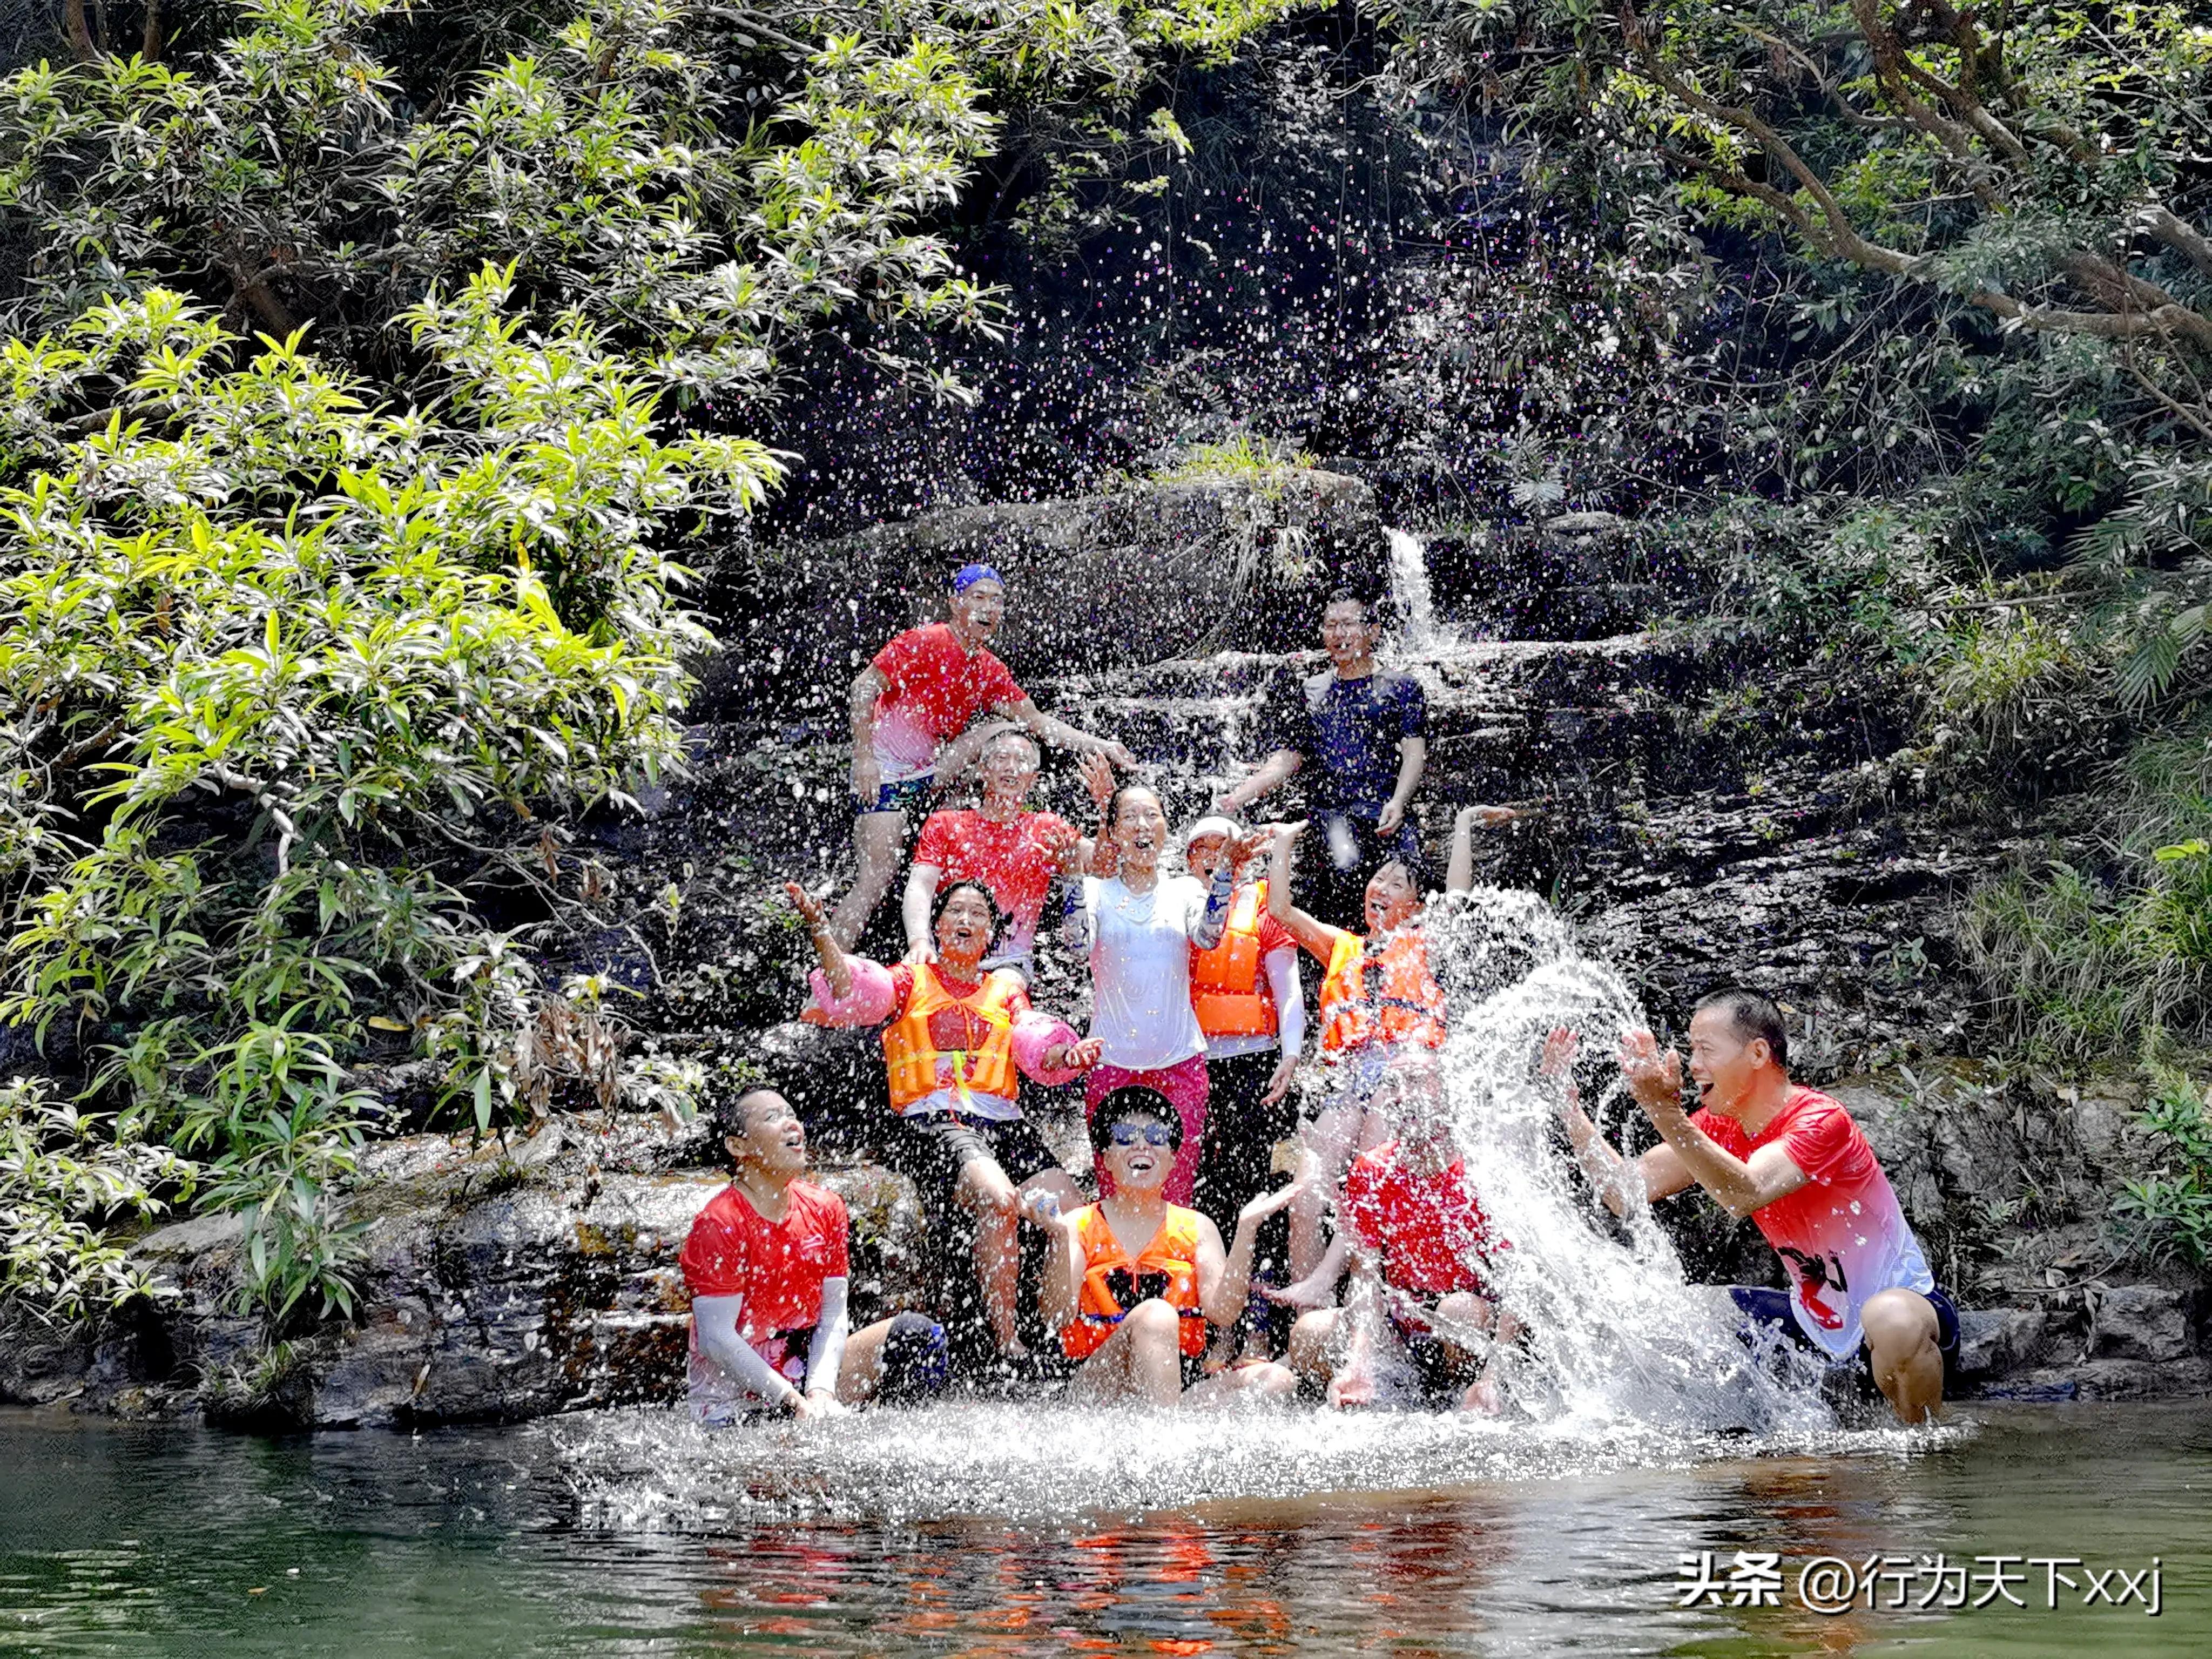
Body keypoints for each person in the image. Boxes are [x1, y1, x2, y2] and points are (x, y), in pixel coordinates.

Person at [1544, 990, 1957, 1425]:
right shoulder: (1718, 1125)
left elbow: (1745, 1193)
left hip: (1906, 1311)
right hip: (1811, 1321)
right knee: (1669, 1318)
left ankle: (1921, 1454)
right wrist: (1569, 1109)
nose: (1693, 1065)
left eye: (1705, 1050)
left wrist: (1661, 1109)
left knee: (1890, 1316)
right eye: (1691, 1050)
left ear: (1758, 1052)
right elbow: (1625, 1191)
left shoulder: (1821, 1120)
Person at [790, 878, 1096, 1359]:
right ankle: (1007, 1342)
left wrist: (1068, 1055)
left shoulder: (1006, 991)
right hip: (936, 1120)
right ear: (937, 925)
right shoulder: (912, 980)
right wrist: (822, 931)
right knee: (999, 1200)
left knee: (1076, 1213)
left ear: (991, 935)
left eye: (978, 914)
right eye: (956, 911)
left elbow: (1037, 1044)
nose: (966, 921)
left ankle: (1066, 1330)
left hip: (1003, 1121)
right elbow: (852, 988)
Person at [1262, 807, 1517, 1279]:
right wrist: (1282, 845)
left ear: (1416, 907)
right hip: (1347, 1079)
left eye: (1397, 884)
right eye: (1378, 879)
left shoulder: (1426, 942)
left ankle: (1367, 1317)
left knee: (1371, 1189)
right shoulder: (1342, 944)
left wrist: (1462, 823)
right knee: (1305, 1198)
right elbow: (1279, 911)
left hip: (1402, 1078)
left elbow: (1456, 901)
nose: (1380, 887)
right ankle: (1306, 1322)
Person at [832, 563, 1137, 946]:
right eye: (979, 597)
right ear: (955, 602)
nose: (988, 608)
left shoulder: (988, 669)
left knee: (1000, 732)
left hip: (933, 772)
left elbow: (1038, 722)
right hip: (888, 775)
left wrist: (1101, 745)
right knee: (875, 880)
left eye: (997, 600)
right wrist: (864, 759)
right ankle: (823, 985)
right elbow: (863, 688)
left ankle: (959, 806)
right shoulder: (923, 641)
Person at [679, 1088, 950, 1422]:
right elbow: (715, 1339)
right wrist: (792, 1401)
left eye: (791, 1114)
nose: (792, 1124)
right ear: (739, 1146)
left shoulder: (825, 1208)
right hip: (737, 1399)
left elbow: (833, 1314)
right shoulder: (720, 1223)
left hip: (805, 1372)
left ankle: (905, 1443)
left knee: (917, 1335)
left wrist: (820, 1392)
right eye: (772, 1117)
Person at [1282, 1056, 1519, 1415]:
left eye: (1416, 1082)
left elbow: (1517, 1285)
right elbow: (1365, 1279)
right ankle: (1369, 1387)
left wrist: (1493, 1376)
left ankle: (1470, 1391)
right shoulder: (1373, 1170)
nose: (1402, 1096)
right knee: (1308, 1335)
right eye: (1392, 1085)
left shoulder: (1482, 1173)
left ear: (1447, 1093)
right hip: (1402, 1326)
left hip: (1469, 1323)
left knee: (1456, 1311)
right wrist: (1359, 1362)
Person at [1040, 1088, 1300, 1406]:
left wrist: (1247, 1231)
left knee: (1278, 1380)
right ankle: (1165, 1439)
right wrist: (1055, 1239)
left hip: (1177, 1387)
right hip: (1099, 1385)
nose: (1141, 1144)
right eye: (1125, 1136)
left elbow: (1224, 1313)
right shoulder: (1076, 1224)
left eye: (1156, 1136)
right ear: (1106, 1158)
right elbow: (1057, 1317)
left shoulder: (1197, 1227)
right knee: (1156, 1315)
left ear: (1172, 1159)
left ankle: (1169, 1427)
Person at [1058, 784, 1240, 1205]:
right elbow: (1075, 946)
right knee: (1116, 1194)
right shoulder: (1095, 893)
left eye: (1152, 815)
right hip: (1113, 1066)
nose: (1143, 825)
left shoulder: (1185, 891)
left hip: (1180, 1066)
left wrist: (1226, 872)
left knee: (1176, 1195)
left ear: (1165, 828)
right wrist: (1070, 876)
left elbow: (1210, 937)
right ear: (1114, 831)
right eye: (1131, 817)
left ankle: (1173, 1272)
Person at [1213, 589, 1427, 929]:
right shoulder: (1312, 690)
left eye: (1348, 624)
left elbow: (1415, 752)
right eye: (1331, 626)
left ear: (1372, 630)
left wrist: (1400, 801)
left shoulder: (1401, 687)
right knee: (1346, 867)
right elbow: (1289, 757)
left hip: (1387, 809)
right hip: (1334, 813)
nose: (1339, 635)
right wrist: (1240, 795)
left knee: (1411, 880)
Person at [1179, 815, 1304, 1242]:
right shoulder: (1173, 906)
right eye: (1203, 848)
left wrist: (1290, 1055)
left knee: (1248, 1166)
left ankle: (1254, 1265)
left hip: (1253, 1060)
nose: (1215, 857)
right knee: (1193, 1169)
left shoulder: (1266, 910)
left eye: (1225, 847)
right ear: (1188, 859)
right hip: (1190, 1060)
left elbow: (1288, 990)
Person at [902, 731, 1117, 979]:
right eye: (1002, 758)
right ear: (984, 769)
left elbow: (1105, 866)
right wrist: (920, 943)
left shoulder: (1047, 829)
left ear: (1034, 779)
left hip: (1010, 966)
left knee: (1000, 993)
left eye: (1022, 761)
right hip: (946, 958)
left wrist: (1106, 809)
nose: (1012, 768)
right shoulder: (946, 825)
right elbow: (920, 886)